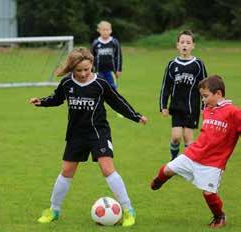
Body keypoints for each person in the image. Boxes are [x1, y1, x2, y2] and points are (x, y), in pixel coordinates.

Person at [30, 47, 147, 227]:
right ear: (72, 69)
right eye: (79, 70)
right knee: (67, 171)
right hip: (76, 134)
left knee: (107, 168)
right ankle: (53, 210)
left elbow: (117, 101)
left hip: (98, 132)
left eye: (87, 69)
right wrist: (42, 102)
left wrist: (135, 116)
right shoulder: (67, 83)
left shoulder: (100, 83)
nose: (84, 73)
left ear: (92, 65)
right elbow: (57, 98)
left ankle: (128, 210)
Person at [151, 75, 241, 229]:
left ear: (218, 94)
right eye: (202, 97)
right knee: (167, 169)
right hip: (193, 154)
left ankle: (220, 216)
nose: (203, 100)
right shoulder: (207, 109)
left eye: (206, 96)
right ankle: (158, 182)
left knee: (208, 194)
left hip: (214, 162)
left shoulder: (233, 112)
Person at [159, 30, 207, 160]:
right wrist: (163, 105)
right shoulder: (172, 64)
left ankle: (186, 164)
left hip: (192, 107)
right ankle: (174, 159)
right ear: (177, 45)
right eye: (182, 42)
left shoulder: (198, 64)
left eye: (188, 42)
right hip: (176, 107)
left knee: (188, 138)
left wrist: (205, 106)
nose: (185, 45)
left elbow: (205, 87)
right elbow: (166, 86)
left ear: (193, 46)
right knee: (175, 137)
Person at [91, 21, 122, 90]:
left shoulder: (114, 42)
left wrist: (118, 69)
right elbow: (91, 57)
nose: (105, 32)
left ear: (111, 30)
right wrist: (91, 69)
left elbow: (119, 56)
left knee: (112, 88)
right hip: (99, 71)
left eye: (107, 30)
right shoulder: (96, 42)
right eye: (103, 30)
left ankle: (113, 100)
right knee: (99, 87)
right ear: (99, 31)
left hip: (111, 71)